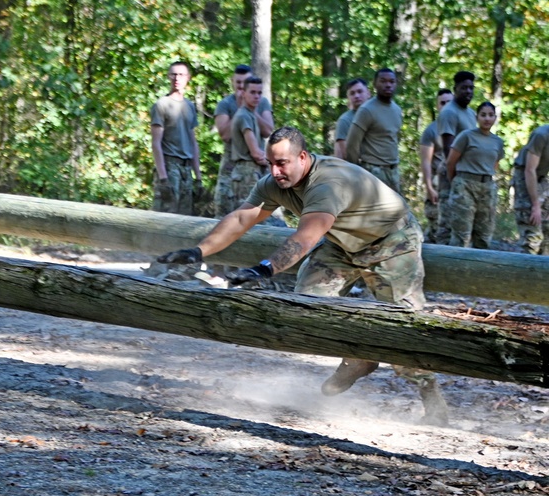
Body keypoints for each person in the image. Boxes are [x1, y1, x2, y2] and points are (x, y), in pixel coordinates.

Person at [156, 126, 449, 425]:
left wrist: (263, 269)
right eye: (270, 163)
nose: (275, 171)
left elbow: (305, 238)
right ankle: (359, 356)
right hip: (341, 244)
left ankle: (433, 402)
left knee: (404, 328)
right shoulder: (275, 182)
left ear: (303, 158)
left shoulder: (327, 184)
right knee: (309, 305)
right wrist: (199, 251)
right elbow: (243, 217)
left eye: (282, 163)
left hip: (391, 243)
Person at [213, 65, 274, 216]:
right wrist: (242, 109)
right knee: (224, 207)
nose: (240, 86)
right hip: (232, 160)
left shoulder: (261, 102)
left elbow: (268, 130)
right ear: (233, 82)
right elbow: (225, 135)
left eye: (244, 82)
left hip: (255, 164)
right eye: (238, 82)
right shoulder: (226, 104)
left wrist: (252, 110)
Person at [445, 102, 504, 249]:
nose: (487, 119)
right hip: (465, 185)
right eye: (483, 115)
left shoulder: (497, 141)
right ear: (477, 117)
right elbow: (450, 162)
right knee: (461, 234)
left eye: (491, 115)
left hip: (487, 188)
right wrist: (457, 183)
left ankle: (480, 270)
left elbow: (494, 164)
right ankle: (455, 269)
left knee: (484, 234)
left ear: (495, 118)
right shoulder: (466, 136)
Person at [151, 61, 202, 215]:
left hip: (186, 169)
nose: (177, 78)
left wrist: (198, 177)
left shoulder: (190, 106)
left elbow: (193, 142)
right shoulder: (161, 105)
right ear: (168, 76)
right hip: (169, 165)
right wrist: (163, 177)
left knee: (185, 218)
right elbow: (156, 143)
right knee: (165, 216)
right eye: (173, 74)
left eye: (181, 74)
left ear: (188, 78)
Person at [435, 71, 478, 244]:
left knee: (465, 222)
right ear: (455, 89)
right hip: (452, 173)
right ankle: (441, 262)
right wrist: (452, 176)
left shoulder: (471, 113)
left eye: (471, 88)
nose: (468, 91)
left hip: (467, 173)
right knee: (447, 221)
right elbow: (448, 147)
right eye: (464, 88)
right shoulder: (449, 112)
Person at [345, 68, 402, 193]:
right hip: (373, 171)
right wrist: (356, 172)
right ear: (375, 84)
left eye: (391, 81)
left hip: (393, 171)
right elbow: (351, 144)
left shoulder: (397, 110)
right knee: (375, 212)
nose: (388, 85)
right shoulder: (366, 110)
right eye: (383, 81)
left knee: (397, 211)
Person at [228, 77, 269, 210]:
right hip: (246, 174)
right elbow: (256, 153)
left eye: (259, 93)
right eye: (252, 92)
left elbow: (268, 130)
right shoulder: (243, 116)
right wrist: (275, 162)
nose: (257, 96)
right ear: (243, 93)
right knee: (247, 218)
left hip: (252, 173)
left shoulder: (251, 115)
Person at [419, 89, 454, 243]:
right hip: (437, 182)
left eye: (449, 102)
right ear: (437, 106)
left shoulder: (461, 125)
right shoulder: (431, 130)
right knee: (437, 226)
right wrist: (429, 187)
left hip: (457, 181)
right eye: (442, 103)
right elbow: (426, 161)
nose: (446, 105)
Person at [511, 124, 549, 255]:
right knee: (532, 236)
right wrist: (535, 204)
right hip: (526, 177)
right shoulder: (541, 135)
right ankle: (524, 272)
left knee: (546, 233)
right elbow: (529, 169)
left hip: (542, 179)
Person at [333, 78, 369, 159]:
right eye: (352, 93)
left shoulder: (376, 114)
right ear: (348, 97)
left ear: (368, 93)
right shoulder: (345, 120)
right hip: (359, 167)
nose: (356, 96)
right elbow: (345, 153)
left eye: (360, 91)